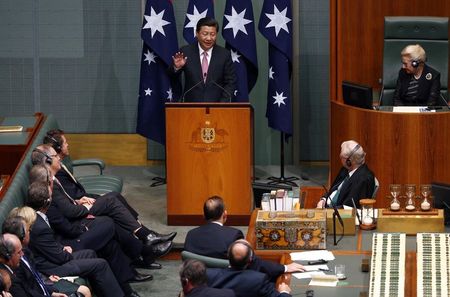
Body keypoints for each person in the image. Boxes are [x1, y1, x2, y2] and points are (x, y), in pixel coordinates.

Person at [31, 144, 174, 268]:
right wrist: (84, 207)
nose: (59, 158)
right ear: (48, 160)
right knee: (110, 206)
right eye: (55, 156)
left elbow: (64, 203)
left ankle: (145, 242)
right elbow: (68, 212)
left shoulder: (52, 179)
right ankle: (146, 241)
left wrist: (78, 201)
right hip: (73, 225)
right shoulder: (48, 182)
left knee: (113, 201)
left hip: (76, 212)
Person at [26, 181, 134, 297]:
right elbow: (59, 256)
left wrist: (62, 248)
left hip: (54, 256)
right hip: (52, 268)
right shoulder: (39, 226)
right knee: (100, 264)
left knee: (91, 253)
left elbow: (50, 245)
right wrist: (65, 251)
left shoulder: (37, 217)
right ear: (47, 202)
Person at [185, 196, 303, 282]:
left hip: (198, 286)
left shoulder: (190, 235)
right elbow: (255, 263)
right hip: (228, 284)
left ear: (204, 215)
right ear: (225, 214)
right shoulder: (233, 235)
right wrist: (284, 267)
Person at [2, 215, 91, 297]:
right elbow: (30, 291)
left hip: (45, 286)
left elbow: (35, 277)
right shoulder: (11, 277)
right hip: (43, 290)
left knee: (84, 290)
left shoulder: (25, 252)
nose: (30, 232)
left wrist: (48, 284)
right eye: (28, 230)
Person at [169, 17, 236, 102]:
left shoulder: (224, 54)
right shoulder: (186, 52)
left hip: (217, 108)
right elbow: (172, 77)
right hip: (190, 108)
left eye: (212, 34)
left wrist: (221, 105)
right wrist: (176, 67)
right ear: (197, 33)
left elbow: (230, 82)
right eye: (205, 34)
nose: (209, 38)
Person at [207, 240, 292, 297]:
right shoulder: (258, 280)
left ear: (228, 257)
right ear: (250, 259)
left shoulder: (209, 275)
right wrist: (284, 292)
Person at [317, 140, 375, 209]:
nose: (340, 159)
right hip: (326, 207)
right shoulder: (345, 170)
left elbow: (349, 207)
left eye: (342, 158)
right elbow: (333, 190)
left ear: (348, 161)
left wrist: (327, 211)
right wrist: (323, 200)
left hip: (337, 214)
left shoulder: (363, 179)